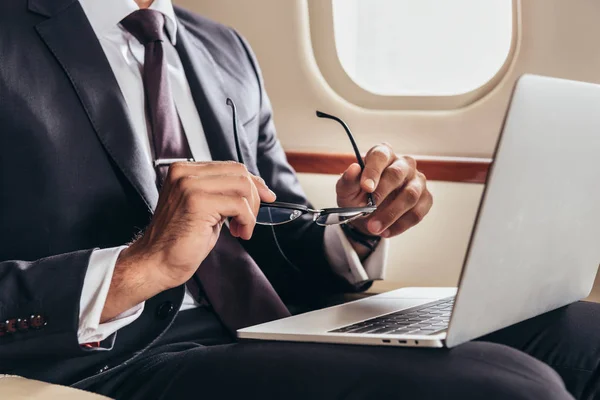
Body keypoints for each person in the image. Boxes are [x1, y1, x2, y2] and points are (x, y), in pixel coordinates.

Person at [0, 0, 598, 399]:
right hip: (115, 355)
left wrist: (361, 227)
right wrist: (139, 266)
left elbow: (278, 230)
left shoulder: (224, 48)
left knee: (580, 332)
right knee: (513, 388)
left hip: (274, 323)